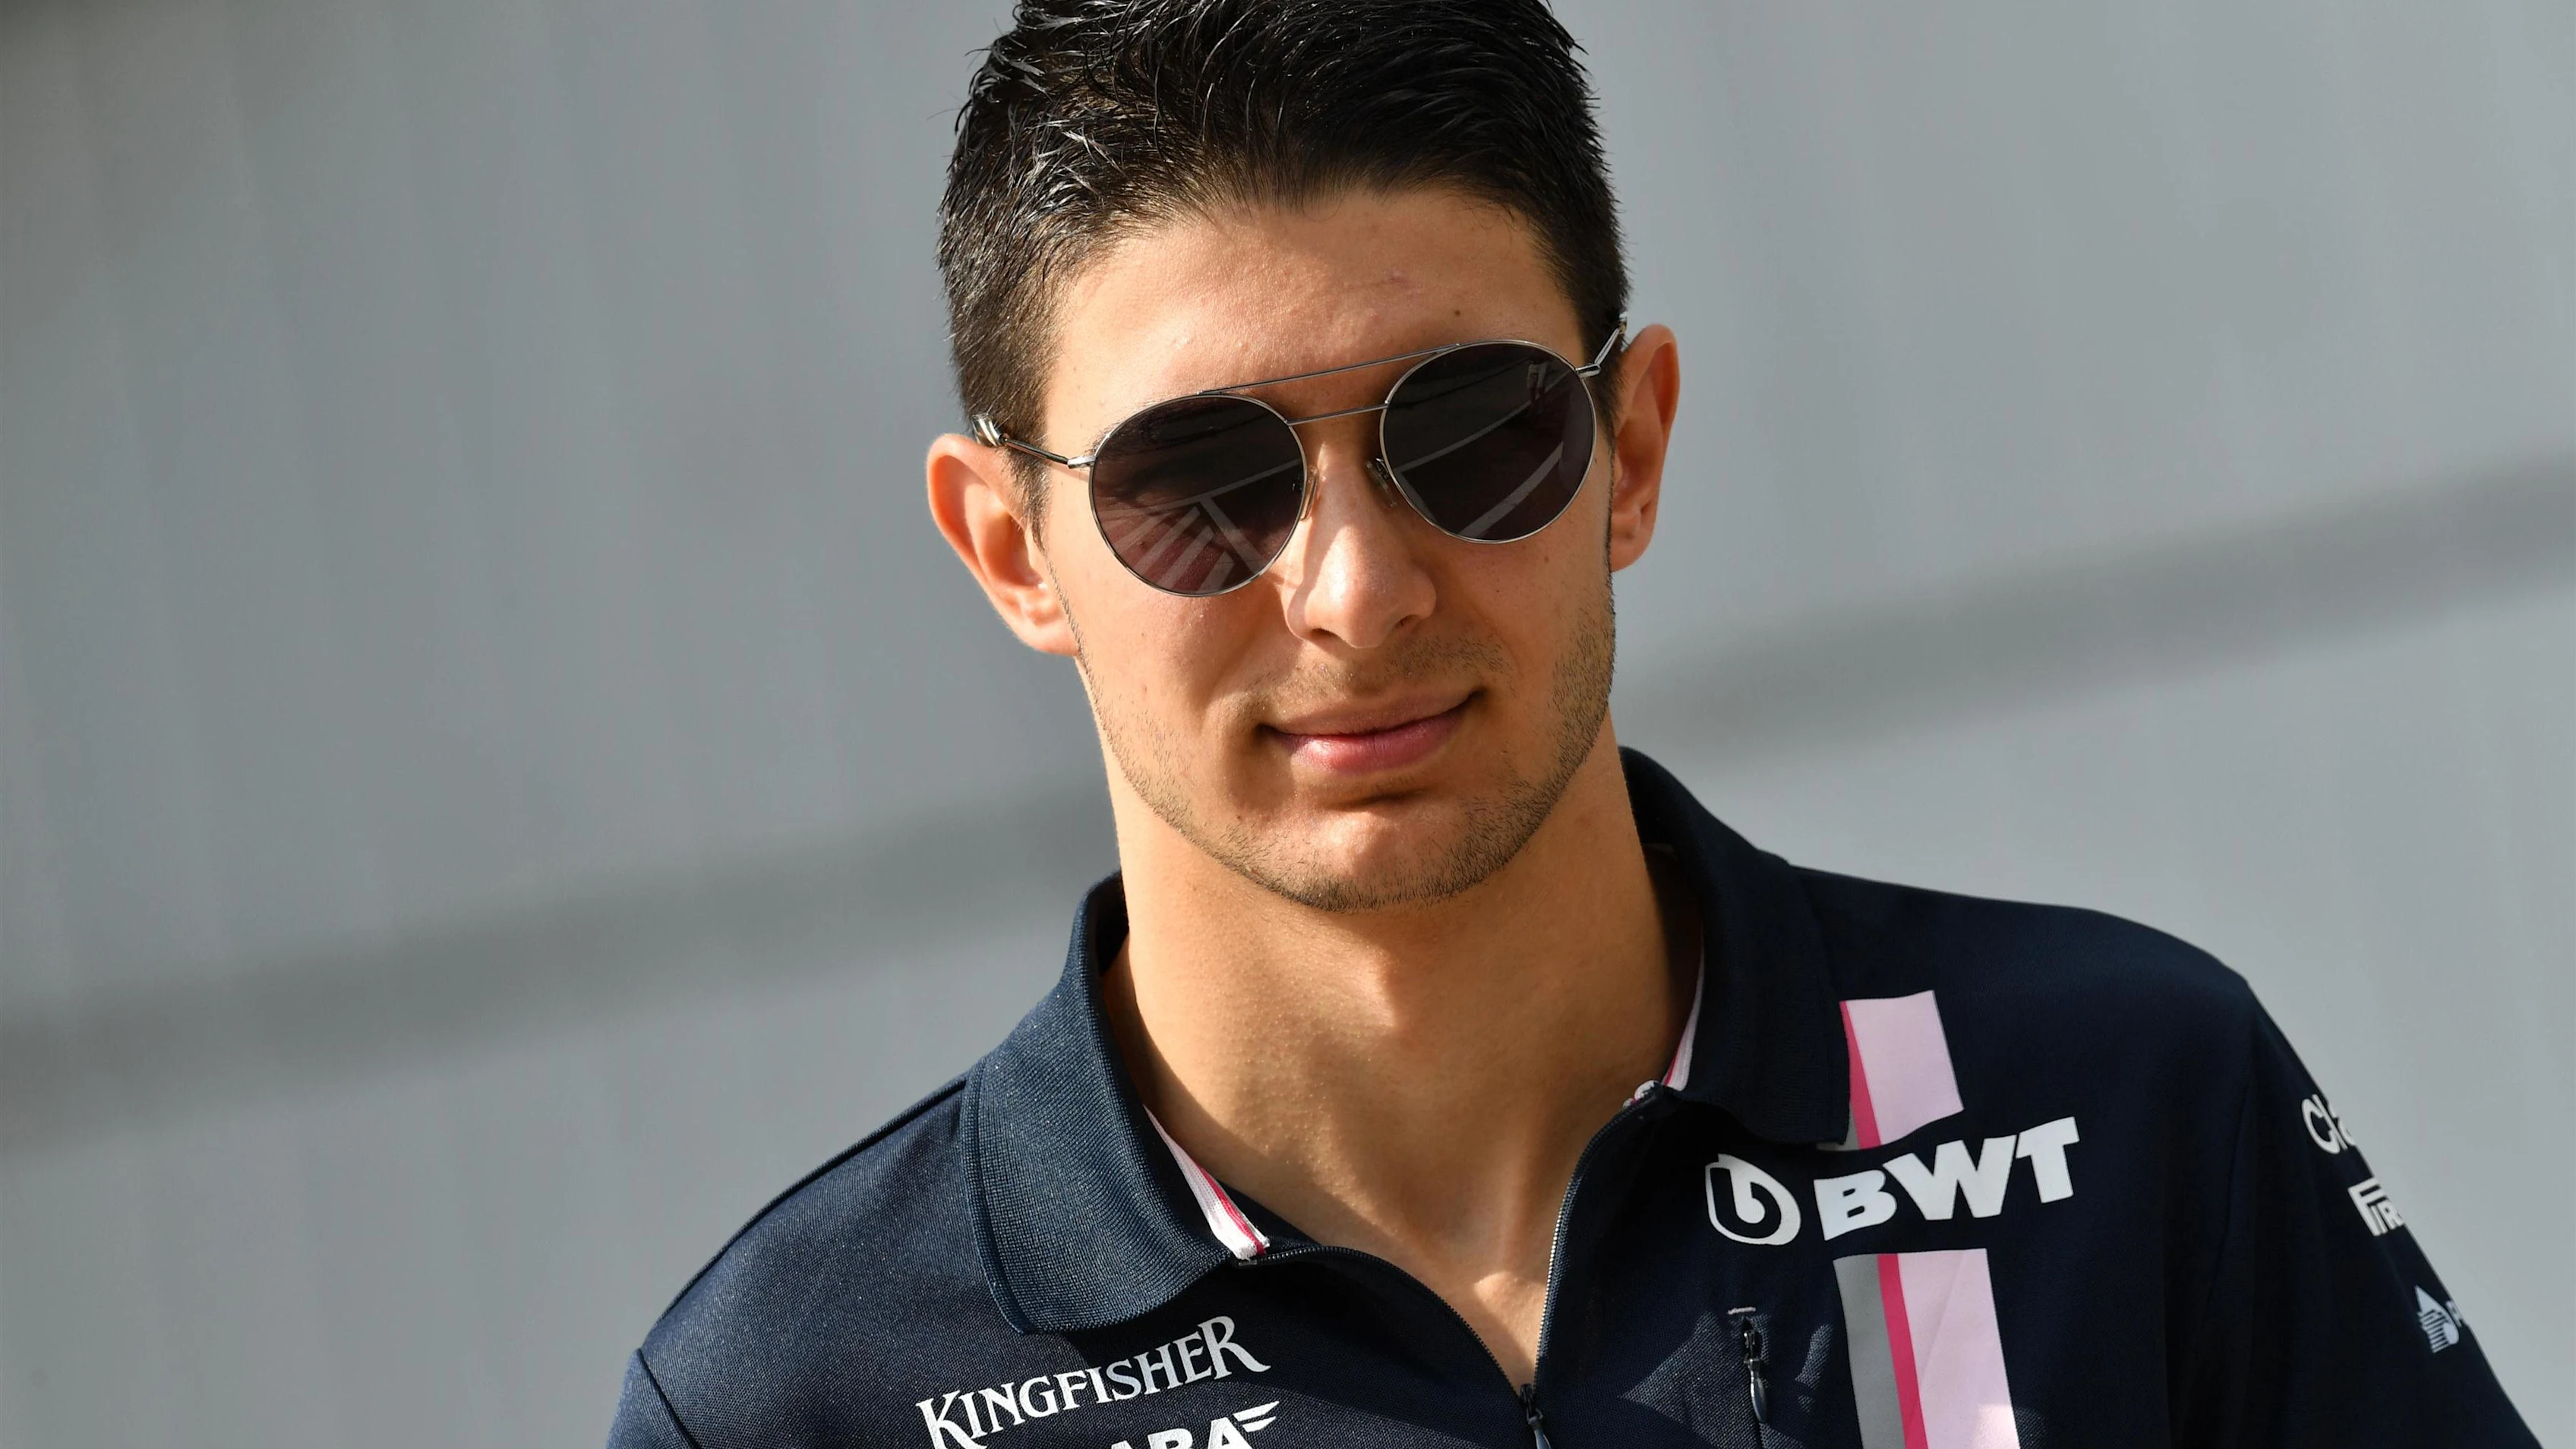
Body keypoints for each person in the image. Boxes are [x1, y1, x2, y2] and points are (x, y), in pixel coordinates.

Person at [606, 3, 2537, 1445]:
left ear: (1631, 446)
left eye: (1470, 432)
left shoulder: (2119, 1105)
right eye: (1201, 482)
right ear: (1009, 550)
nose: (1357, 590)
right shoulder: (798, 1398)